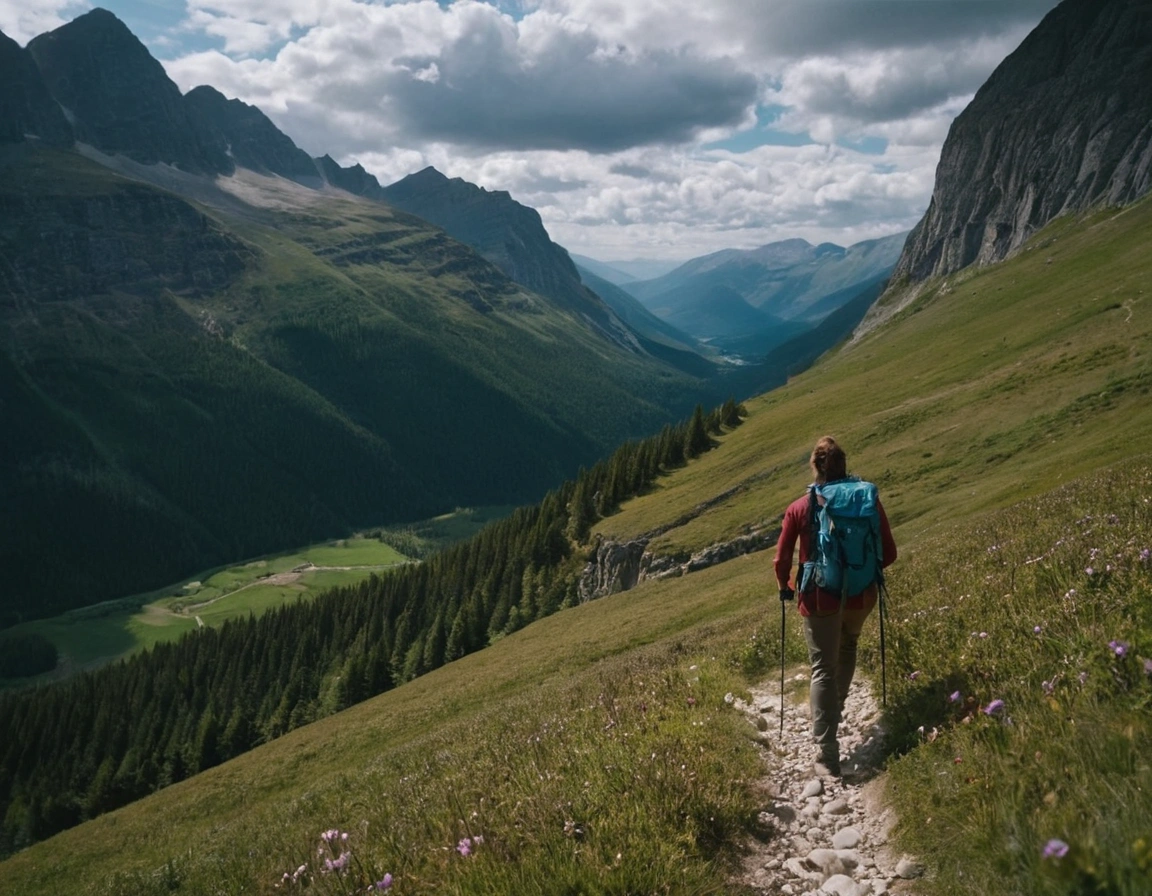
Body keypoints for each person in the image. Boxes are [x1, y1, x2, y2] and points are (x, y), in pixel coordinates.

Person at [773, 436, 897, 777]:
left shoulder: (800, 507)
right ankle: (835, 710)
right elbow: (889, 552)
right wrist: (860, 575)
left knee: (822, 668)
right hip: (862, 594)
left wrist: (784, 586)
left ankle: (827, 753)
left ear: (816, 467)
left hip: (819, 596)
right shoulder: (865, 499)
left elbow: (782, 559)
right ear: (844, 465)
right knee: (848, 646)